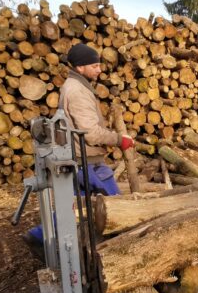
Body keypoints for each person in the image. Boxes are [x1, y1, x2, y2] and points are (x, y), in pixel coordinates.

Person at [24, 44, 134, 256]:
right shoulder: (77, 91)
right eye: (95, 65)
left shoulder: (76, 85)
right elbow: (90, 133)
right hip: (87, 160)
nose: (100, 69)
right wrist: (120, 140)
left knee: (75, 205)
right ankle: (122, 248)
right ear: (81, 67)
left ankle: (38, 236)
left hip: (81, 156)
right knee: (115, 202)